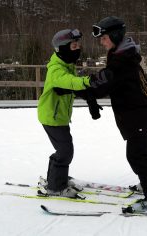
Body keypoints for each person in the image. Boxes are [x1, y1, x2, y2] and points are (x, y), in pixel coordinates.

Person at [91, 16, 147, 211]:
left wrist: (78, 91)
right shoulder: (122, 53)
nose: (102, 42)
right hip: (140, 112)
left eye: (104, 38)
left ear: (115, 36)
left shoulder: (121, 60)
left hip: (138, 113)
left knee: (136, 155)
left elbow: (102, 84)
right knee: (141, 152)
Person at [37, 29, 101, 198]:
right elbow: (70, 82)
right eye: (74, 45)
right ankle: (56, 186)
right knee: (65, 151)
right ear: (63, 48)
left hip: (59, 117)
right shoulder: (56, 69)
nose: (78, 48)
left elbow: (69, 89)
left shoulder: (67, 65)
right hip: (52, 117)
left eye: (78, 45)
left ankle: (56, 178)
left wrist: (89, 98)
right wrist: (89, 81)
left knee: (63, 149)